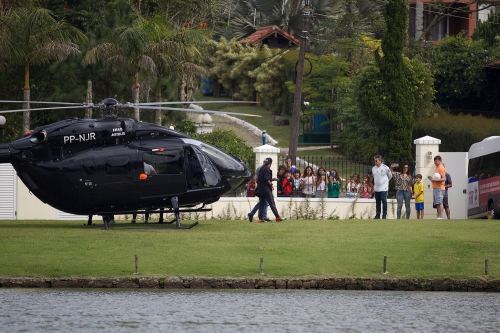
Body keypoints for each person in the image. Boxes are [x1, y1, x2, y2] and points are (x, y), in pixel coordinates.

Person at [256, 157, 286, 222]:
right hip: (266, 189)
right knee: (272, 203)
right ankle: (277, 217)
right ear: (270, 163)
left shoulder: (262, 168)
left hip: (261, 189)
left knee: (262, 203)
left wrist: (273, 179)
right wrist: (271, 184)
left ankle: (260, 218)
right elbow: (266, 179)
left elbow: (262, 178)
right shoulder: (267, 169)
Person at [372, 155, 392, 219]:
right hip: (377, 188)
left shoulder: (385, 168)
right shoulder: (373, 168)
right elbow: (374, 176)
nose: (375, 162)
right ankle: (377, 215)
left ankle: (384, 215)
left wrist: (386, 182)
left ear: (380, 161)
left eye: (376, 160)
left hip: (384, 188)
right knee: (378, 202)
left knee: (384, 201)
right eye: (374, 160)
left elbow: (390, 176)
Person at [430, 155, 446, 219]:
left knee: (440, 202)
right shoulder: (437, 167)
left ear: (440, 161)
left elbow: (444, 178)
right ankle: (438, 216)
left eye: (436, 161)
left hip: (439, 187)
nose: (435, 162)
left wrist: (435, 180)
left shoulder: (441, 168)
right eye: (434, 161)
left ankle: (440, 216)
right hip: (435, 187)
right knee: (437, 203)